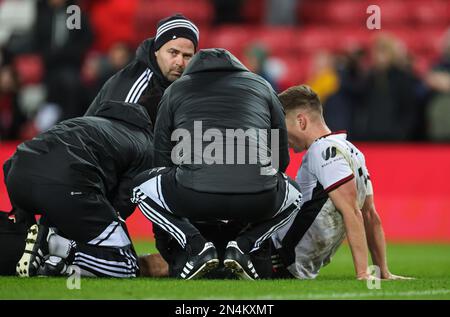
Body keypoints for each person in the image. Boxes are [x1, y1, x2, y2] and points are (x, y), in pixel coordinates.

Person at [131, 48, 302, 280]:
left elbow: (161, 160)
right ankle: (244, 245)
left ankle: (195, 245)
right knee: (296, 193)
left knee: (139, 187)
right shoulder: (263, 86)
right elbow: (280, 160)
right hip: (257, 198)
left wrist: (166, 244)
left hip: (194, 196)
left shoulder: (175, 89)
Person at [271, 85, 412, 280]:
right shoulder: (351, 150)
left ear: (301, 121)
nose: (282, 137)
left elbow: (352, 211)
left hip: (277, 259)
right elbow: (369, 214)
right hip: (290, 263)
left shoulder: (322, 151)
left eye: (282, 126)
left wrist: (363, 273)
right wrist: (383, 271)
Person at [4, 100, 153, 278]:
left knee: (42, 232)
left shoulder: (83, 122)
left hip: (16, 173)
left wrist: (25, 222)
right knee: (127, 265)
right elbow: (120, 206)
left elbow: (8, 165)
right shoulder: (145, 142)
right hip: (68, 181)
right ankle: (51, 244)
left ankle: (51, 259)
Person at [84, 13, 199, 127]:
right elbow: (116, 139)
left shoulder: (193, 84)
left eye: (187, 56)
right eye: (173, 52)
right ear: (156, 51)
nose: (179, 62)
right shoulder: (136, 84)